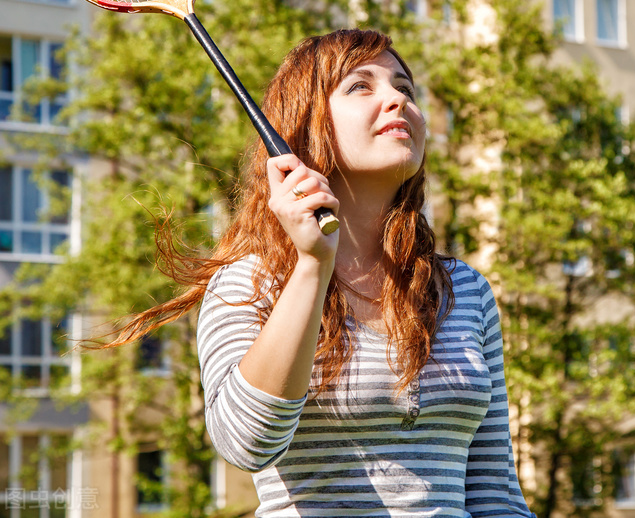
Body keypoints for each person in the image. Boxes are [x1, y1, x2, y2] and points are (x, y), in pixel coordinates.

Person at [116, 29, 535, 517]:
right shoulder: (250, 284)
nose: (396, 100)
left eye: (406, 88)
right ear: (306, 125)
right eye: (361, 86)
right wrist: (313, 265)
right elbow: (246, 443)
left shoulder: (464, 291)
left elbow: (495, 494)